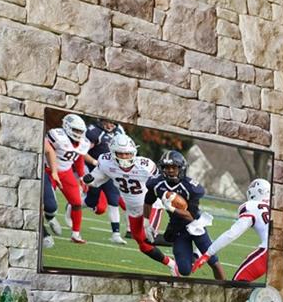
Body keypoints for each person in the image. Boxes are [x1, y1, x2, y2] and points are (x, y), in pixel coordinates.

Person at [84, 132, 173, 269]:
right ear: (113, 153)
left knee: (150, 236)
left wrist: (168, 199)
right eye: (121, 153)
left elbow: (162, 184)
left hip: (150, 205)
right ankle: (172, 265)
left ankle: (183, 241)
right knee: (143, 244)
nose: (125, 156)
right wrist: (89, 179)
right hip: (132, 209)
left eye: (128, 153)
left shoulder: (145, 165)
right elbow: (96, 179)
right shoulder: (106, 162)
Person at [148, 149, 223, 279]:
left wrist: (172, 209)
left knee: (213, 262)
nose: (170, 170)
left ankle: (225, 289)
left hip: (195, 226)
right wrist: (145, 221)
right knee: (184, 270)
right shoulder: (156, 183)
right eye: (166, 167)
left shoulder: (191, 187)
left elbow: (191, 216)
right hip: (177, 228)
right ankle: (195, 255)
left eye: (173, 167)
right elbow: (147, 201)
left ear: (181, 168)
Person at [200, 177, 270, 283]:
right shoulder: (276, 207)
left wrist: (208, 253)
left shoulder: (251, 206)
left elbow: (232, 234)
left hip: (268, 251)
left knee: (238, 284)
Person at [43, 113, 91, 244]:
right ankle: (50, 218)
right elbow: (48, 151)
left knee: (76, 202)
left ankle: (76, 234)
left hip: (66, 172)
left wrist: (81, 176)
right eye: (75, 130)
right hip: (48, 170)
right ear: (67, 126)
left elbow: (79, 157)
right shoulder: (57, 135)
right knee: (49, 204)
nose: (78, 133)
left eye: (80, 131)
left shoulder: (83, 142)